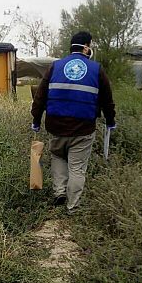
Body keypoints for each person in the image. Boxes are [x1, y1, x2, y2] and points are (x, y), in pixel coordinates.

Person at [30, 31, 116, 212]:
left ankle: (59, 192)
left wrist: (36, 120)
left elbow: (40, 96)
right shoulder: (96, 69)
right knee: (77, 168)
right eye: (90, 45)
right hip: (83, 129)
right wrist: (110, 120)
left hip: (56, 126)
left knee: (58, 157)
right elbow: (107, 100)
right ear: (86, 47)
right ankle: (73, 206)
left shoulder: (55, 67)